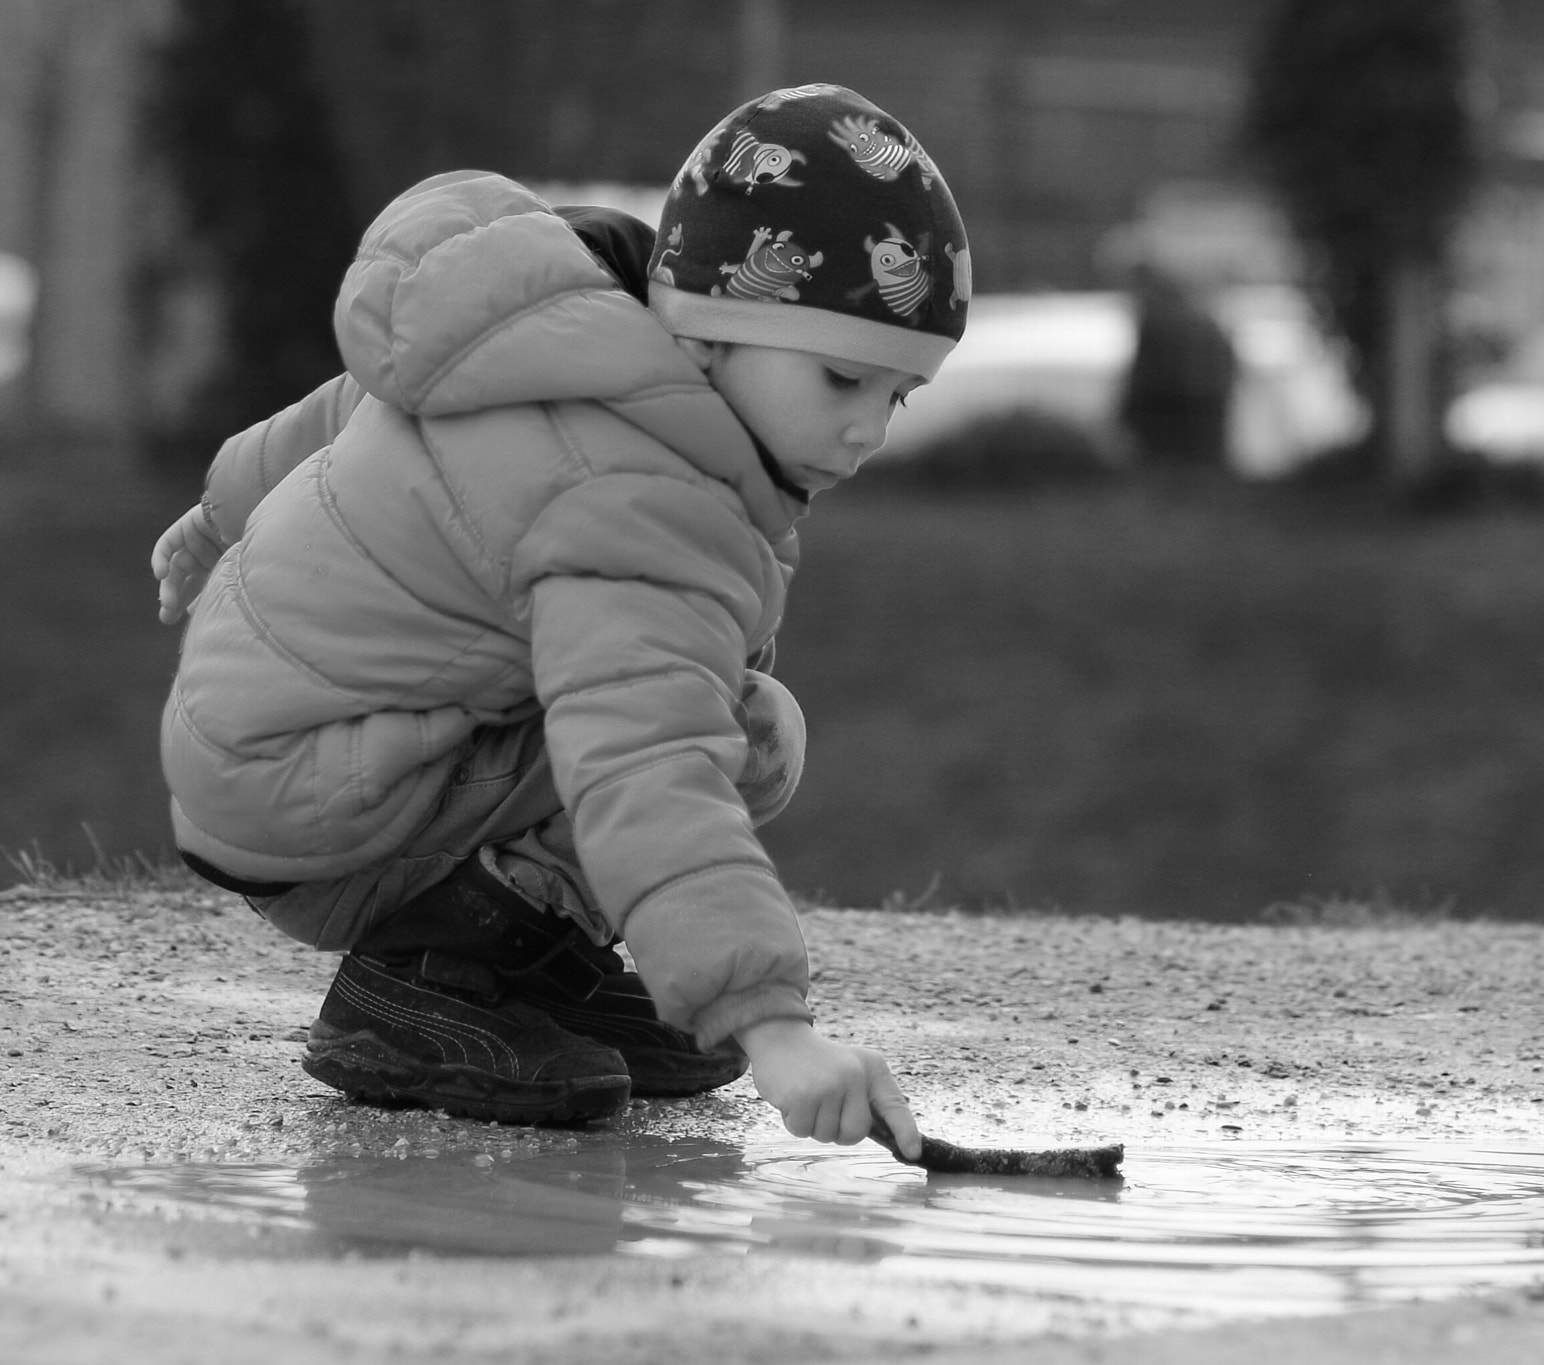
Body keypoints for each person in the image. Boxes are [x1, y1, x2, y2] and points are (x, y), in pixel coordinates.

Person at [148, 85, 969, 1161]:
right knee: (743, 735)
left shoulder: (547, 337)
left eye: (896, 397)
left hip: (267, 752)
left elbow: (361, 407)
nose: (864, 430)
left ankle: (524, 969)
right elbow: (643, 754)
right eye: (840, 376)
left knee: (722, 708)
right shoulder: (641, 491)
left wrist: (218, 513)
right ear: (717, 329)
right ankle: (426, 981)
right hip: (320, 810)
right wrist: (773, 1030)